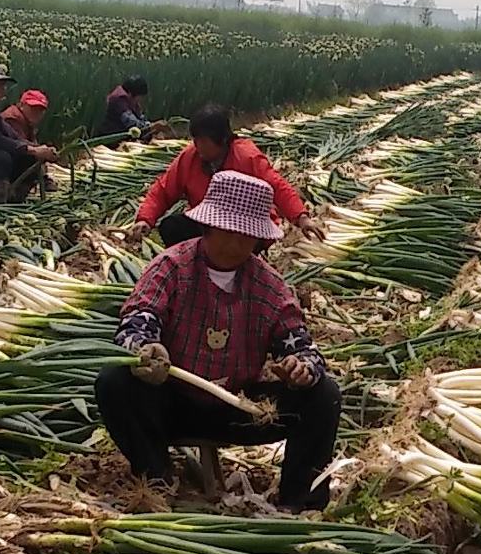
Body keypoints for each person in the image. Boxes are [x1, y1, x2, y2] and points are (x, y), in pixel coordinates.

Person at [95, 171, 338, 510]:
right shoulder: (171, 267)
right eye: (230, 231)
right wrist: (145, 349)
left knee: (323, 394)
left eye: (248, 235)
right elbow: (137, 320)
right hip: (172, 402)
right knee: (114, 381)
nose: (238, 243)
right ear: (208, 225)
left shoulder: (269, 285)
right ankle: (156, 481)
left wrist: (302, 367)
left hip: (240, 408)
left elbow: (301, 344)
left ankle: (301, 501)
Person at [134, 104, 314, 245]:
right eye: (195, 139)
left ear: (222, 139)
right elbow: (163, 190)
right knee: (171, 227)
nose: (197, 145)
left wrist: (301, 217)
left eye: (203, 140)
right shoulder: (190, 158)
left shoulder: (246, 157)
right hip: (210, 226)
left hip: (246, 227)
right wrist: (145, 219)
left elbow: (276, 186)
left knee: (236, 244)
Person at [0, 63, 60, 205]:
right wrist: (32, 149)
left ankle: (15, 200)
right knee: (1, 158)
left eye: (2, 86)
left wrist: (39, 150)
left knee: (28, 157)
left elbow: (11, 135)